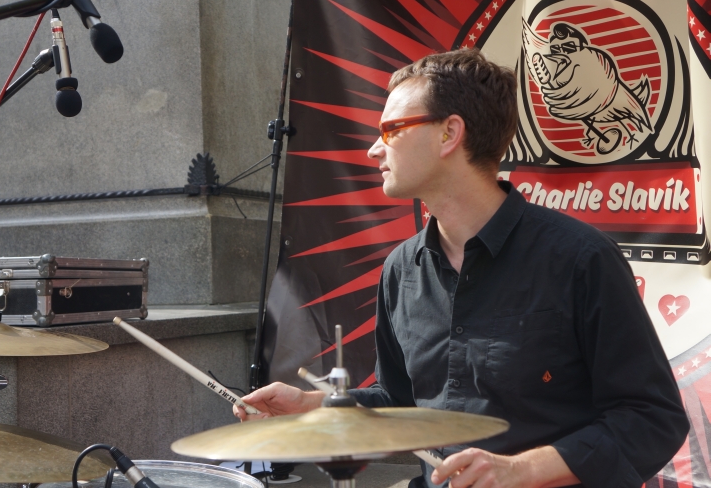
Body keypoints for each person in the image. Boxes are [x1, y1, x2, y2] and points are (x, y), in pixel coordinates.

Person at [234, 48, 688, 488]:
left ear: (449, 134)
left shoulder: (581, 259)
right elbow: (401, 401)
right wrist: (315, 406)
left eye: (391, 130)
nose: (374, 149)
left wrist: (523, 470)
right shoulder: (401, 270)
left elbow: (653, 417)